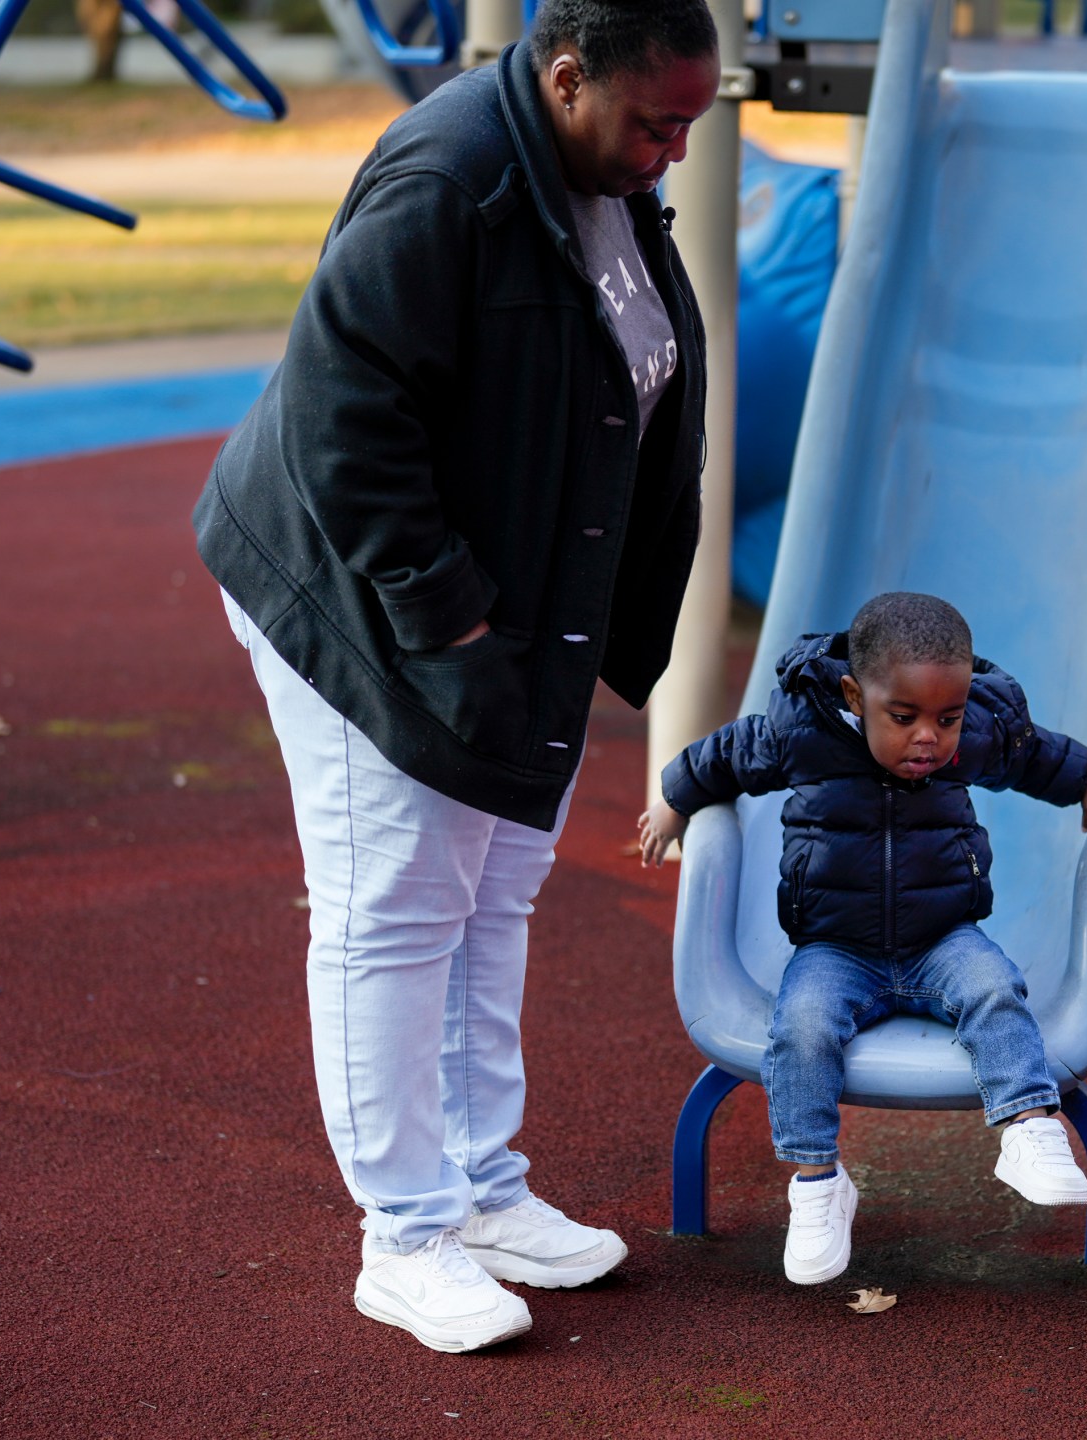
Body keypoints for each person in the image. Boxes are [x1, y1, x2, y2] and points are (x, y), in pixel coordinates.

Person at [191, 0, 721, 1355]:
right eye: (655, 121)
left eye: (691, 125)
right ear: (563, 79)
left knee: (495, 889)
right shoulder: (449, 179)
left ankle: (480, 1189)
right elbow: (339, 416)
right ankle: (405, 1237)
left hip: (497, 601)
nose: (672, 149)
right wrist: (455, 629)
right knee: (395, 898)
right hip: (358, 593)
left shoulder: (600, 175)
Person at [638, 592, 1087, 1284]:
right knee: (802, 1028)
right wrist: (674, 800)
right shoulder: (805, 730)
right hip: (835, 948)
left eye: (948, 718)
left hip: (942, 938)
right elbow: (725, 756)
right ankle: (818, 1183)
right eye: (904, 717)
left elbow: (1029, 757)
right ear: (855, 693)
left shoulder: (971, 736)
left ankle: (1028, 1125)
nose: (928, 739)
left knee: (995, 987)